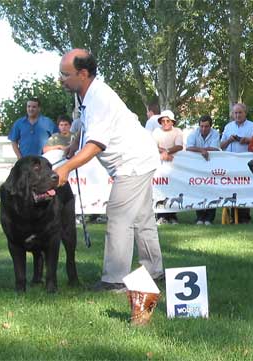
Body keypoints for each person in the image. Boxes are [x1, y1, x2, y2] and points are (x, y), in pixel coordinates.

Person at [54, 49, 163, 292]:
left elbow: (95, 145)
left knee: (119, 217)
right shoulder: (83, 95)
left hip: (132, 162)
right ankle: (153, 271)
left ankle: (115, 280)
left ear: (82, 73)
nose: (61, 79)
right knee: (142, 218)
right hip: (139, 157)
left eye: (64, 74)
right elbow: (82, 123)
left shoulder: (99, 99)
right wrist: (73, 144)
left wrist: (66, 169)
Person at [220, 103, 253, 223]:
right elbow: (221, 145)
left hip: (247, 163)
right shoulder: (228, 126)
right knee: (233, 189)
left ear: (245, 113)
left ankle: (244, 217)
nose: (237, 115)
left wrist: (247, 140)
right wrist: (229, 140)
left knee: (245, 188)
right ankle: (233, 217)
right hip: (231, 164)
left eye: (240, 112)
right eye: (235, 113)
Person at [186, 115, 221, 225]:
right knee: (198, 191)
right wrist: (202, 150)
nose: (204, 129)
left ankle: (209, 218)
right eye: (201, 126)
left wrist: (199, 150)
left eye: (206, 126)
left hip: (212, 167)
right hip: (197, 167)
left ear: (211, 126)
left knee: (211, 190)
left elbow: (215, 148)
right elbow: (188, 147)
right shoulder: (193, 133)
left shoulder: (215, 133)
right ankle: (200, 217)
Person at [152, 110, 184, 225]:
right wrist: (164, 152)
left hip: (174, 166)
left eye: (167, 121)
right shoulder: (156, 131)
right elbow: (153, 145)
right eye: (163, 121)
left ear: (172, 122)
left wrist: (167, 152)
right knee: (160, 188)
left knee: (173, 189)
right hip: (159, 165)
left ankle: (172, 216)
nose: (165, 123)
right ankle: (161, 216)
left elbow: (179, 146)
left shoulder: (178, 131)